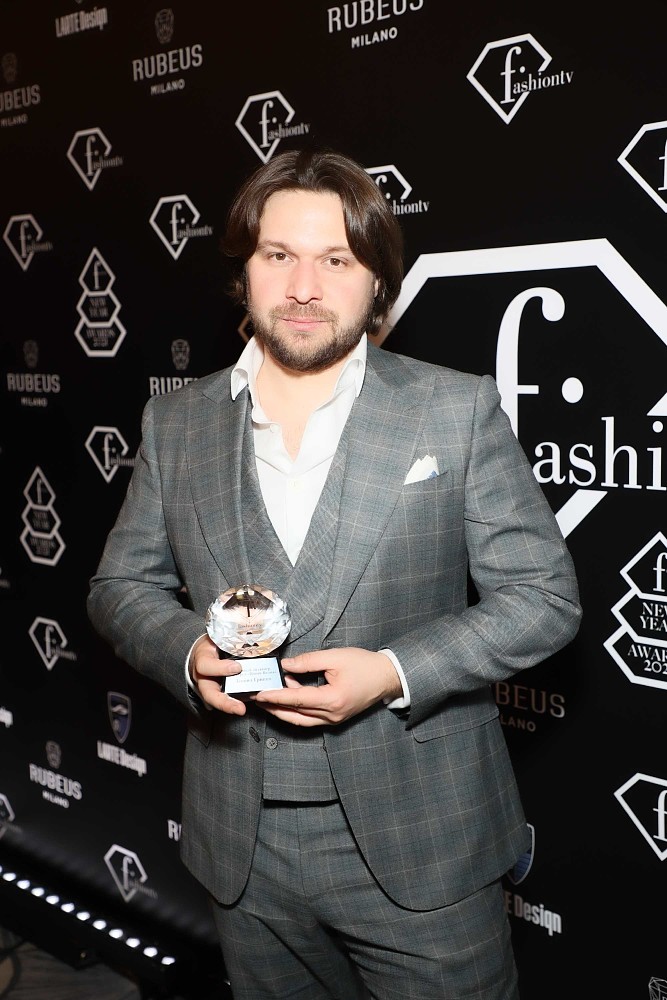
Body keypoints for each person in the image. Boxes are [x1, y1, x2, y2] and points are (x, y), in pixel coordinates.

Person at [87, 146, 581, 1000]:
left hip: (421, 841)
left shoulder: (453, 409)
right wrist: (187, 655)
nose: (304, 287)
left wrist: (391, 672)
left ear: (377, 284)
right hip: (239, 842)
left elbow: (543, 598)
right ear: (244, 271)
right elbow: (118, 588)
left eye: (336, 260)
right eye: (278, 255)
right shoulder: (176, 423)